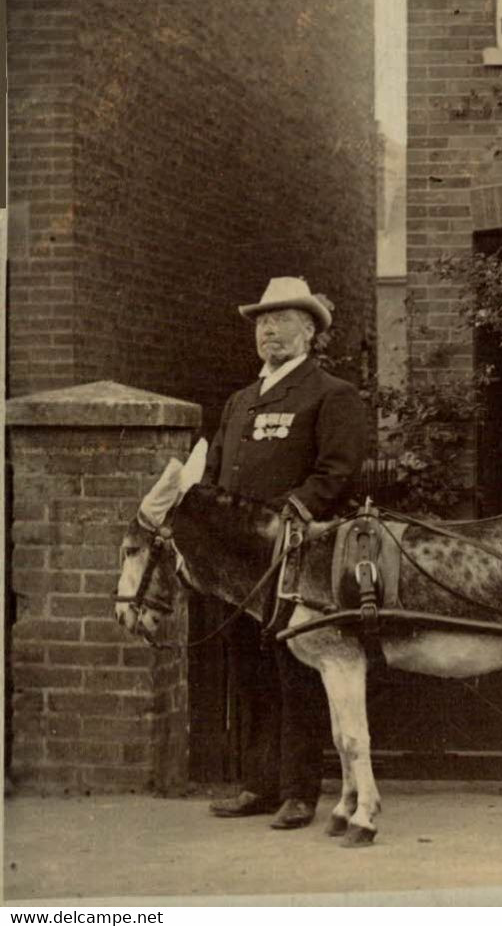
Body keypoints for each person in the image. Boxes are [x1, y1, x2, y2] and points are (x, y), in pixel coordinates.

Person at [204, 277, 370, 830]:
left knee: (294, 674)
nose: (268, 329)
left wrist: (293, 511)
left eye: (281, 319)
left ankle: (300, 792)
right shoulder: (239, 400)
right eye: (261, 321)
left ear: (310, 330)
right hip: (240, 568)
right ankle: (259, 783)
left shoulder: (329, 393)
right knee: (250, 674)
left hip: (295, 557)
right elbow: (215, 472)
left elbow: (338, 470)